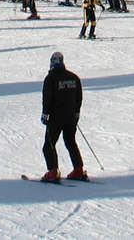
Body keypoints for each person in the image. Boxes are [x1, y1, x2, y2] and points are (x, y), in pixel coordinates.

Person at [40, 51, 86, 182]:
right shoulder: (74, 77)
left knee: (49, 145)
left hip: (55, 117)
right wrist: (76, 112)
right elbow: (79, 97)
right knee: (70, 141)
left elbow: (47, 98)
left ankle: (53, 171)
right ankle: (78, 169)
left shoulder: (50, 78)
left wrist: (45, 114)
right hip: (71, 116)